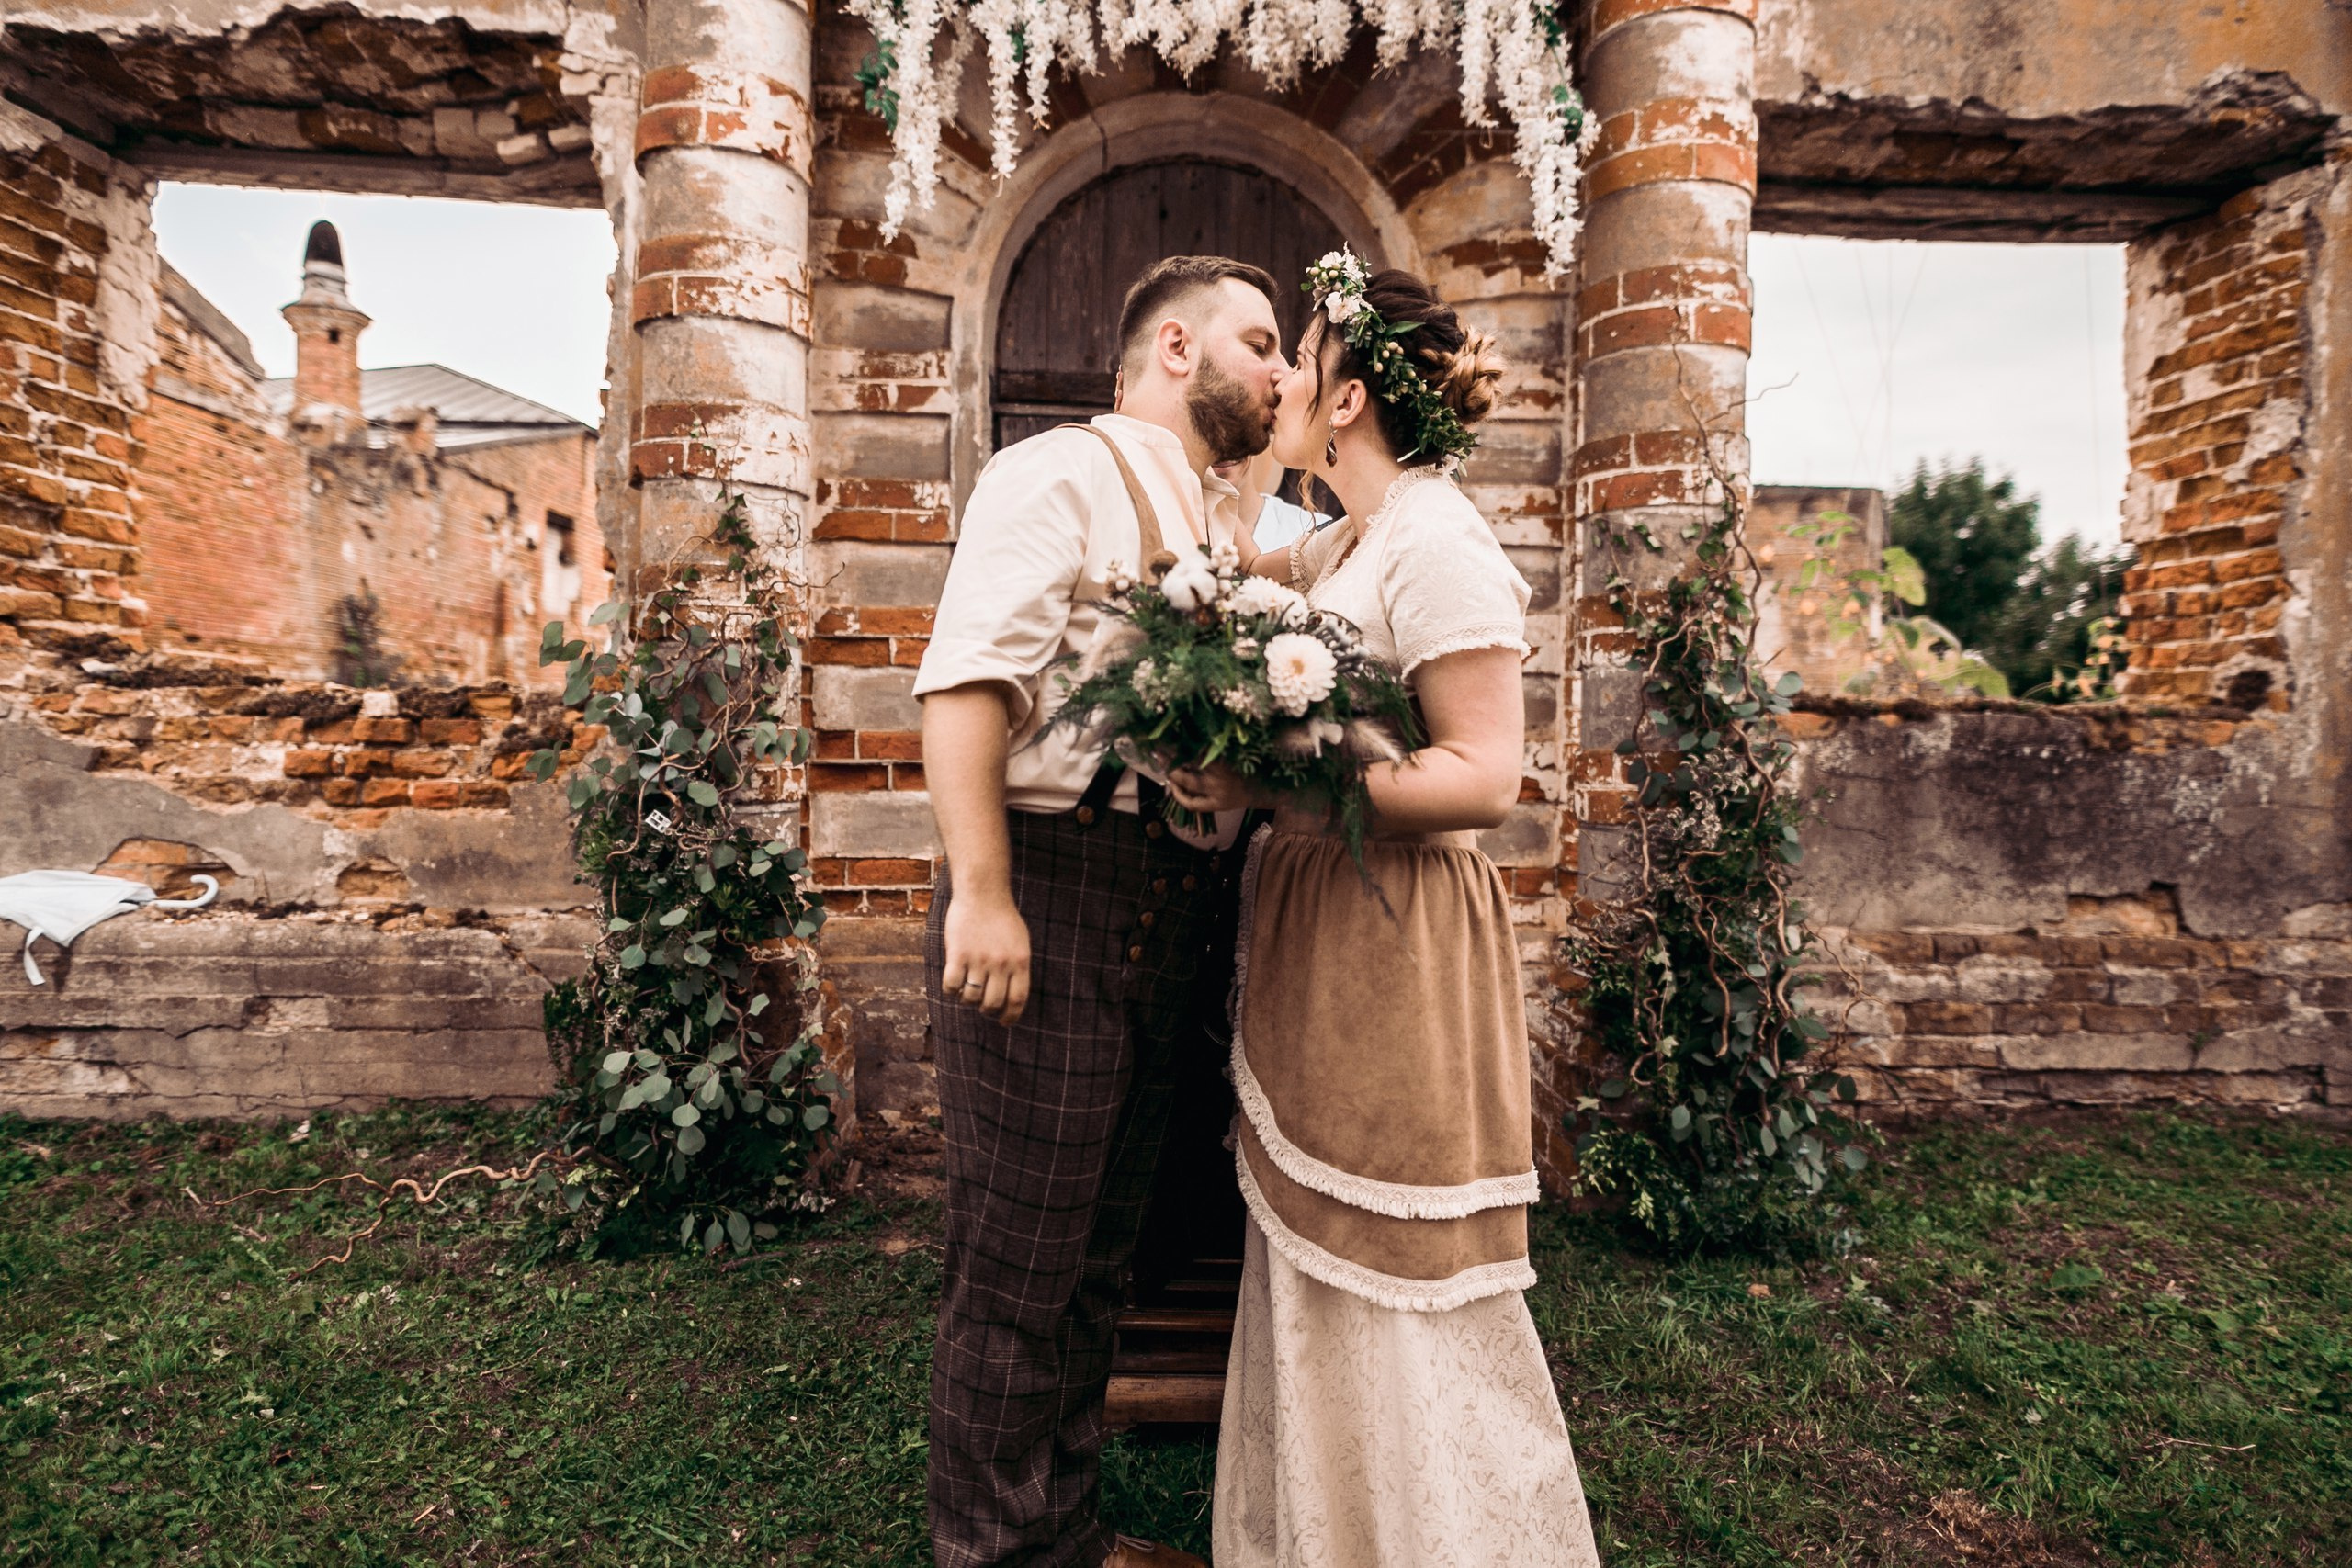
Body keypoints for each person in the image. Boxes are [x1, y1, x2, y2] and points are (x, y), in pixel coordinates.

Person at [1170, 262, 1603, 1566]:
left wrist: (1277, 775)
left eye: (1299, 360)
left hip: (1399, 929)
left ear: (1352, 395)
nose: (1284, 380)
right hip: (1321, 915)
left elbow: (1484, 775)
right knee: (1308, 1252)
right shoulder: (1344, 535)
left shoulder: (1437, 537)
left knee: (1391, 1251)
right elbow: (1218, 555)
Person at [913, 254, 1289, 1568]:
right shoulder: (1057, 473)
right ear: (1174, 351)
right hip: (1051, 887)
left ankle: (1058, 1530)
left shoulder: (1215, 518)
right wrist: (984, 894)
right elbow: (966, 687)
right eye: (1261, 342)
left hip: (1169, 901)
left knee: (1098, 1261)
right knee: (1019, 1267)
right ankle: (997, 1555)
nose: (1282, 372)